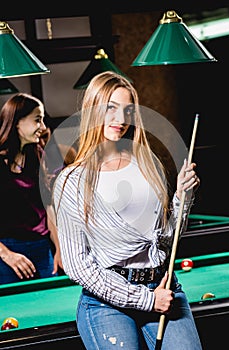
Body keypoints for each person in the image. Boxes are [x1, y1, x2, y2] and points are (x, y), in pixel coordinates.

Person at [53, 71, 202, 350]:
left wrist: (183, 197)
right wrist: (146, 300)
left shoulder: (148, 165)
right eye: (110, 108)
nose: (121, 120)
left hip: (163, 288)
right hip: (105, 302)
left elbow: (166, 240)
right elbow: (78, 267)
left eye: (128, 110)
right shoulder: (71, 182)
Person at [0, 93, 63, 284]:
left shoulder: (38, 156)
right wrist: (8, 255)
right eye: (38, 120)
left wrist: (59, 249)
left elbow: (48, 207)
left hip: (43, 250)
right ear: (17, 121)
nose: (43, 128)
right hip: (7, 254)